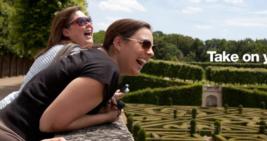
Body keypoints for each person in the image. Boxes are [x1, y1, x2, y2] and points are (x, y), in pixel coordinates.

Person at [0, 18, 154, 141]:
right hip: (11, 134)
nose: (151, 53)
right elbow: (49, 123)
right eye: (145, 44)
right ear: (119, 43)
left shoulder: (96, 58)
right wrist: (108, 117)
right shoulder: (105, 70)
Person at [0, 6, 94, 110]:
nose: (89, 24)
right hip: (15, 116)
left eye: (88, 20)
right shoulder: (73, 52)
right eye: (81, 21)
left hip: (10, 108)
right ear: (66, 32)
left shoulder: (56, 49)